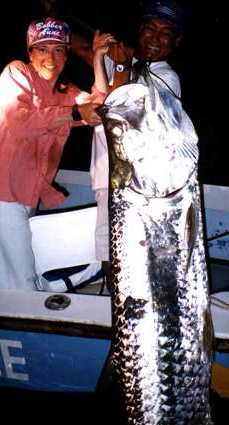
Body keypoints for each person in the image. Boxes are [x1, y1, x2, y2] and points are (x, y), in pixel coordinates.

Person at [0, 16, 103, 291]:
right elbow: (19, 120)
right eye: (43, 49)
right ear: (31, 52)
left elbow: (100, 108)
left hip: (28, 196)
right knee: (22, 286)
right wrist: (74, 113)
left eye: (59, 49)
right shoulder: (17, 72)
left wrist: (97, 59)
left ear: (66, 54)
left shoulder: (66, 92)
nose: (51, 56)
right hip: (1, 193)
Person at [90, 0, 183, 286]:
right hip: (109, 179)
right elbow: (100, 103)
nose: (155, 38)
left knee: (133, 261)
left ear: (176, 41)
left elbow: (119, 114)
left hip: (139, 185)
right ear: (139, 30)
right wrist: (98, 56)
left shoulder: (166, 78)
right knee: (110, 257)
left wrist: (119, 64)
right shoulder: (126, 62)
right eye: (150, 28)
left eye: (165, 32)